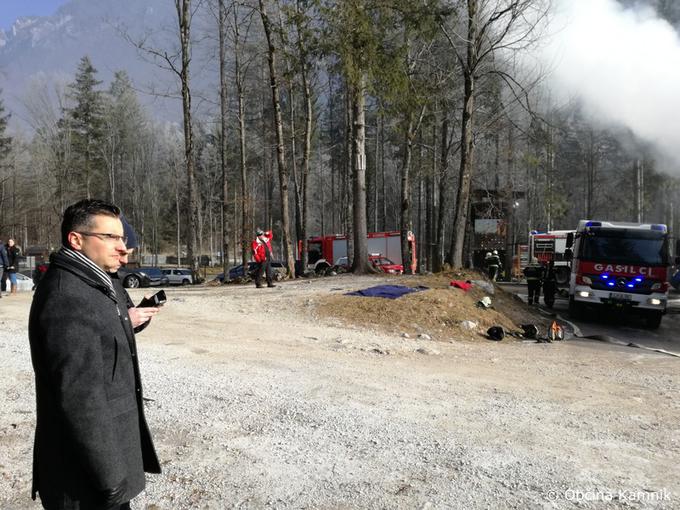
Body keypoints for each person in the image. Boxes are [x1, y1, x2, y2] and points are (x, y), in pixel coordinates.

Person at [28, 199, 161, 510]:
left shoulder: (96, 283)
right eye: (111, 238)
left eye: (123, 238)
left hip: (100, 466)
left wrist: (130, 320)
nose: (124, 248)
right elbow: (80, 400)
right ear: (76, 240)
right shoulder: (67, 297)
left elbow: (104, 336)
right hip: (83, 479)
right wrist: (111, 479)